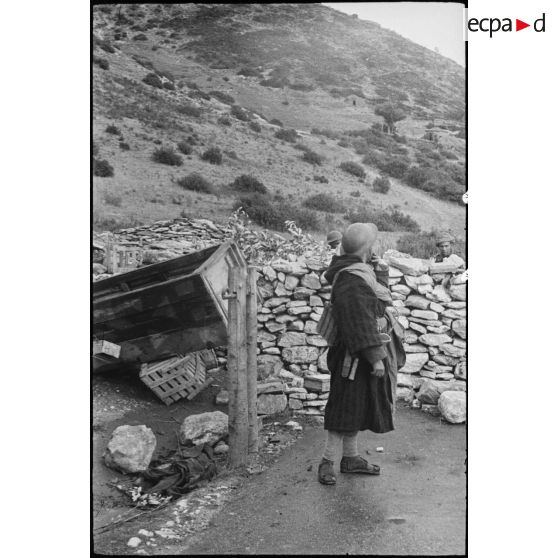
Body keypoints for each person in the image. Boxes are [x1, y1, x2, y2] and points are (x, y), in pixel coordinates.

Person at [318, 223, 406, 485]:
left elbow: (375, 301)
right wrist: (376, 357)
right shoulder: (351, 279)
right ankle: (327, 461)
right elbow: (359, 320)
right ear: (368, 248)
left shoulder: (359, 271)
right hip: (353, 357)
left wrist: (379, 271)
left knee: (355, 406)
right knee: (343, 408)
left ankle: (351, 458)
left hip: (358, 353)